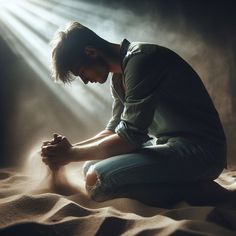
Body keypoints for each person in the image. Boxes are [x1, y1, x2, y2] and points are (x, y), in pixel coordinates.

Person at [41, 21, 229, 207]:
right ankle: (184, 184)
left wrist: (71, 154)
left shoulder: (141, 61)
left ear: (91, 52)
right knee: (89, 166)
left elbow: (129, 138)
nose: (85, 81)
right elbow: (114, 130)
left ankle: (199, 191)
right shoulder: (118, 78)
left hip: (202, 152)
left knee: (97, 180)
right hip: (168, 144)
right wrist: (67, 150)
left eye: (82, 72)